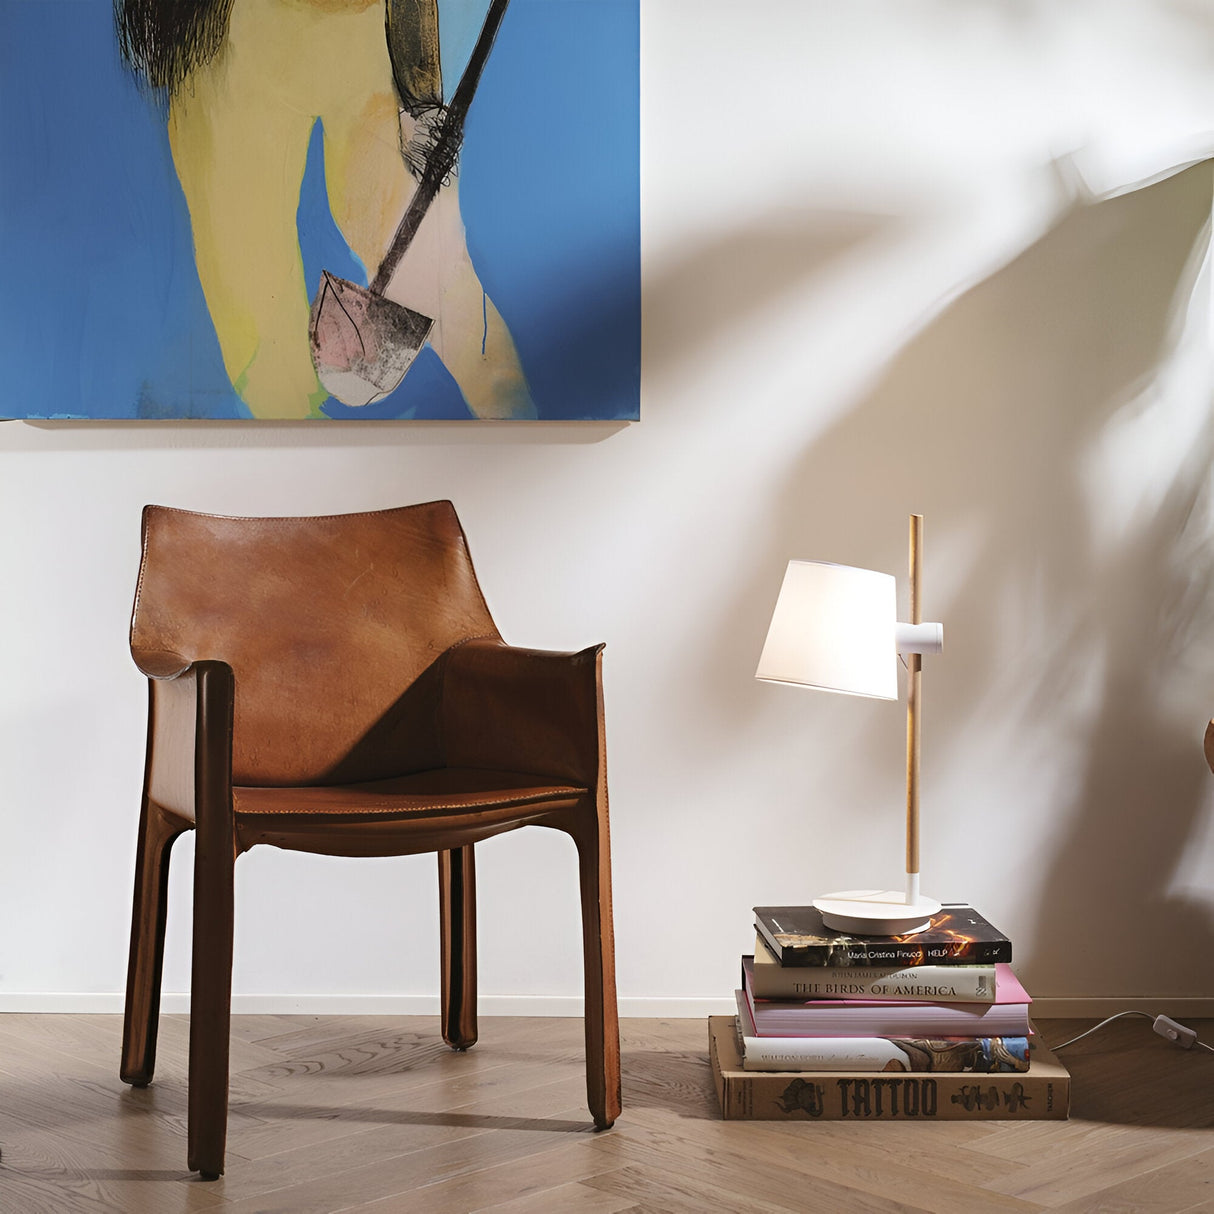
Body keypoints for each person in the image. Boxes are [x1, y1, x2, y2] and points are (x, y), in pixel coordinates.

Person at [116, 0, 535, 419]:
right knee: (259, 326)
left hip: (358, 35)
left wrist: (421, 98)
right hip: (226, 40)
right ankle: (314, 467)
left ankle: (521, 441)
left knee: (438, 284)